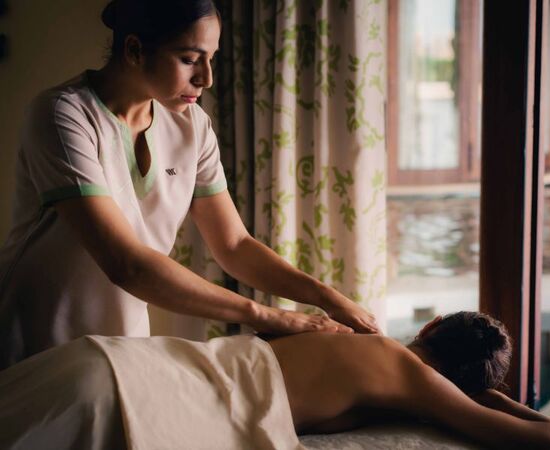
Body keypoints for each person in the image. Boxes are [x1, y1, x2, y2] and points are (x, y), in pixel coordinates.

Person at [0, 0, 379, 369]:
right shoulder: (63, 115)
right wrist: (267, 315)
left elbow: (234, 245)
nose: (206, 78)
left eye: (211, 58)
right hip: (35, 348)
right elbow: (126, 264)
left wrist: (326, 297)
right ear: (134, 50)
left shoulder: (193, 126)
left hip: (118, 349)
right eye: (189, 59)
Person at [0, 311, 550, 450]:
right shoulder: (415, 380)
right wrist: (480, 396)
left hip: (113, 362)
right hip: (129, 402)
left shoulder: (347, 337)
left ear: (428, 327)